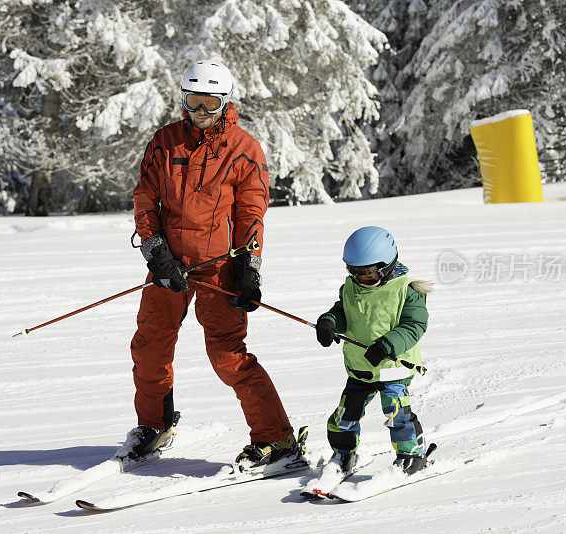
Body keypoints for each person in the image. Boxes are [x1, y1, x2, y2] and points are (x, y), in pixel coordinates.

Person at [121, 60, 295, 466]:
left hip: (219, 266)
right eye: (193, 102)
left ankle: (277, 438)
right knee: (149, 347)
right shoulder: (165, 141)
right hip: (169, 265)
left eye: (210, 103)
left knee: (227, 356)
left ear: (225, 102)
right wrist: (156, 252)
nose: (200, 112)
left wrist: (248, 266)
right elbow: (145, 198)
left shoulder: (243, 147)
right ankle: (154, 425)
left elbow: (252, 213)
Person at [314, 226, 431, 475]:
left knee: (397, 414)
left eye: (367, 275)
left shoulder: (408, 290)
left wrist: (388, 344)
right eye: (352, 272)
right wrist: (329, 322)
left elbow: (415, 325)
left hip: (393, 369)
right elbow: (343, 310)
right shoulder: (351, 287)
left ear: (387, 265)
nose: (359, 280)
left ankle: (412, 456)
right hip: (360, 369)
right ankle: (343, 455)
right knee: (342, 418)